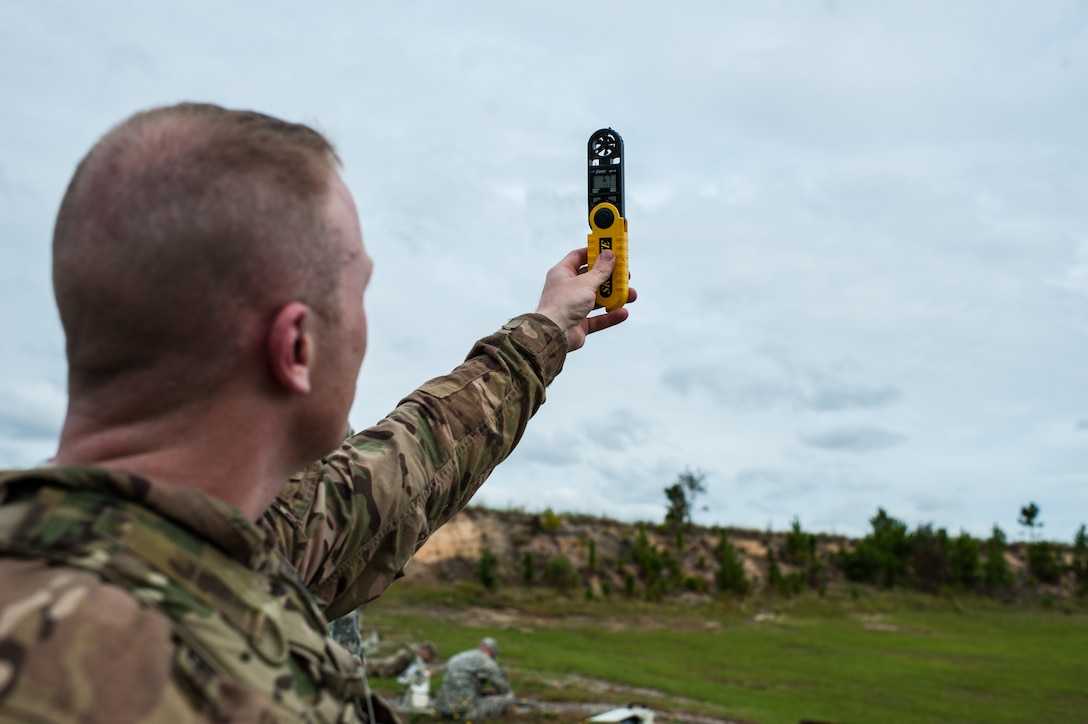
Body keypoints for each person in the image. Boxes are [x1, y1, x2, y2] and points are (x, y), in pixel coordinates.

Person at [0, 102, 633, 722]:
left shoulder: (222, 544)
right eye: (359, 291)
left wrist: (545, 331)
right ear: (296, 346)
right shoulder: (236, 687)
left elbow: (403, 471)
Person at [433, 637, 514, 721]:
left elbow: (460, 684)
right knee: (508, 696)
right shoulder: (487, 661)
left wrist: (482, 692)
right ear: (492, 653)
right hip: (464, 713)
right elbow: (504, 688)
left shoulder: (458, 657)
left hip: (442, 710)